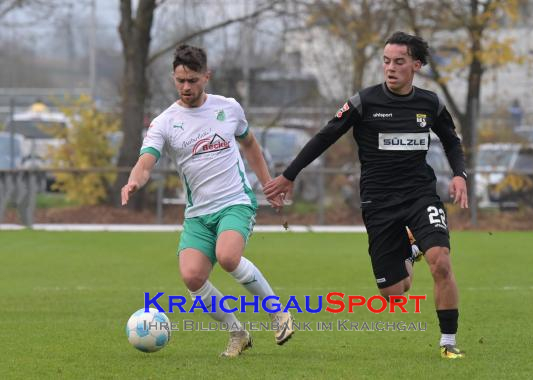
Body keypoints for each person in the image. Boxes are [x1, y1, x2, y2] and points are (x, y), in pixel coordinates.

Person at [264, 31, 468, 359]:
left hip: (421, 195)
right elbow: (326, 135)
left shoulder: (430, 103)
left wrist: (459, 175)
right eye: (386, 61)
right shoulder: (365, 102)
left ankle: (448, 342)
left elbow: (452, 140)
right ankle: (410, 250)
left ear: (415, 65)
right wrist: (290, 175)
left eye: (399, 62)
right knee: (394, 293)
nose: (390, 68)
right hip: (379, 202)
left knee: (441, 262)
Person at [121, 44, 293, 358]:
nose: (186, 87)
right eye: (180, 81)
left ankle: (278, 312)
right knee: (192, 277)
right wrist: (135, 179)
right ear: (174, 78)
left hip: (235, 202)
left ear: (206, 77)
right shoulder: (164, 121)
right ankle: (237, 333)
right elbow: (147, 160)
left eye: (193, 80)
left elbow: (251, 145)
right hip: (198, 214)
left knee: (228, 257)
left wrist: (268, 183)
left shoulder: (228, 108)